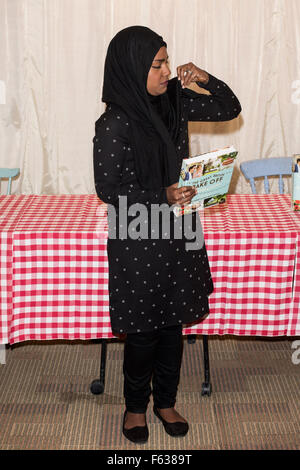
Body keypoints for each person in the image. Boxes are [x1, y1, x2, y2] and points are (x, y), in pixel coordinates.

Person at [93, 26, 241, 444]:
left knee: (173, 323)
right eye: (157, 64)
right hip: (138, 234)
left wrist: (205, 79)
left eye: (166, 60)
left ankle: (166, 401)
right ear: (133, 67)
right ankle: (135, 407)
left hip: (179, 228)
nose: (167, 70)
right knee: (142, 330)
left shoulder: (173, 102)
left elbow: (229, 107)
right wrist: (163, 193)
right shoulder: (114, 122)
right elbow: (109, 190)